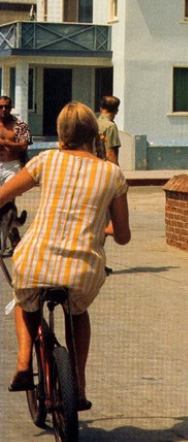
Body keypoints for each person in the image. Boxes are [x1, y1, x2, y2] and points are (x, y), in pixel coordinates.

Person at [5, 102, 131, 409]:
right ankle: (79, 383)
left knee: (24, 301)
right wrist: (106, 229)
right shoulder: (113, 174)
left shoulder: (45, 161)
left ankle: (23, 363)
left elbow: (3, 195)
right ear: (94, 133)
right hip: (83, 267)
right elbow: (124, 236)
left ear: (62, 132)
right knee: (78, 313)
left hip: (36, 258)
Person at [0, 95, 32, 186]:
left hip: (12, 165)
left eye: (6, 107)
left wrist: (6, 143)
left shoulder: (21, 125)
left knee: (9, 197)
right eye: (1, 107)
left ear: (11, 108)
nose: (3, 109)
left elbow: (24, 146)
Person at [97, 95, 121, 165]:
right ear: (116, 111)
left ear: (101, 109)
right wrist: (117, 172)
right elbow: (110, 154)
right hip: (105, 166)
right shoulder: (110, 126)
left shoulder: (93, 123)